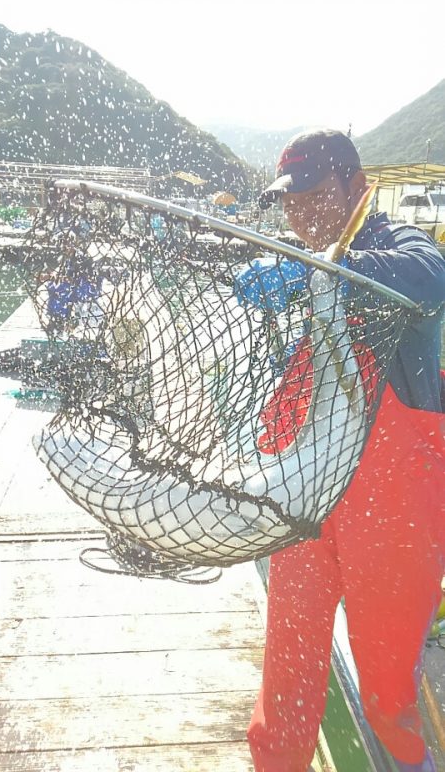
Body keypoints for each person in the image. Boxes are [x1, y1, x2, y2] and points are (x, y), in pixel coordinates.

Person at [237, 129, 445, 772]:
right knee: (289, 660)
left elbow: (432, 277)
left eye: (315, 195)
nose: (300, 214)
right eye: (290, 202)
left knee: (387, 677)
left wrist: (322, 270)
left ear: (357, 187)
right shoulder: (302, 255)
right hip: (306, 493)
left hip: (393, 500)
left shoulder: (395, 245)